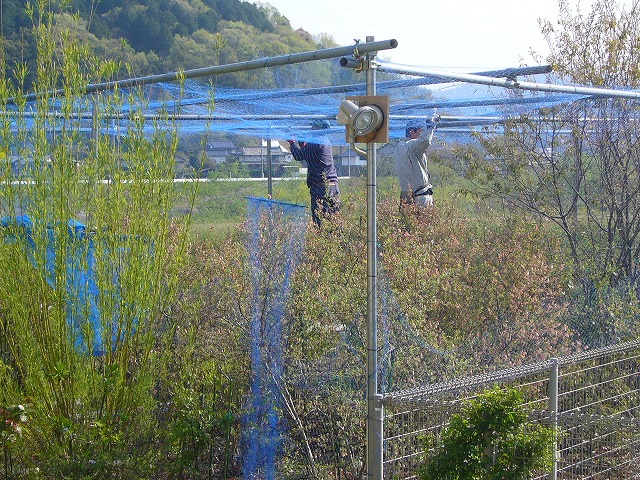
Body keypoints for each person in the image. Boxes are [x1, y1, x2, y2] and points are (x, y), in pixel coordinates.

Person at [288, 119, 340, 226]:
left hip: (320, 187)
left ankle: (322, 241)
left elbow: (298, 156)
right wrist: (303, 146)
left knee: (319, 219)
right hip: (333, 185)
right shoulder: (325, 141)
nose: (311, 129)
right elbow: (311, 155)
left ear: (318, 129)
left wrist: (292, 143)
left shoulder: (315, 142)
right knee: (333, 219)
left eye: (313, 127)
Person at [393, 114, 439, 208]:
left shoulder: (398, 147)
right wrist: (430, 126)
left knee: (408, 222)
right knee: (423, 222)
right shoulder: (411, 146)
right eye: (421, 131)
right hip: (419, 196)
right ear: (411, 132)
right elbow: (425, 141)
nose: (421, 134)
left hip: (406, 194)